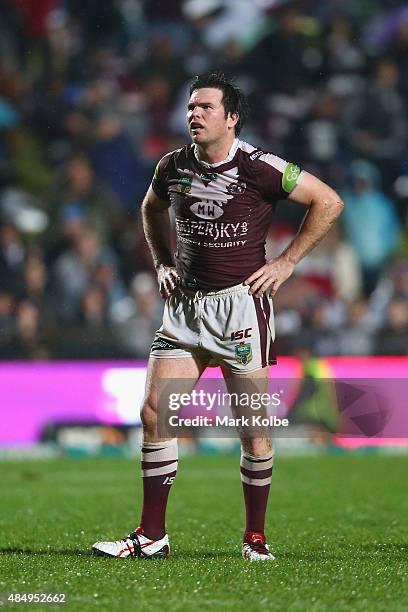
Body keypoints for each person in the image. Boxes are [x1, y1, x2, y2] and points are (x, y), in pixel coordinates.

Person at [92, 73, 344, 561]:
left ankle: (255, 538)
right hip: (185, 309)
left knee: (253, 428)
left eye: (206, 107)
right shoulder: (172, 167)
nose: (194, 114)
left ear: (231, 118)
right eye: (190, 106)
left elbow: (329, 201)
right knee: (153, 414)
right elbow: (150, 209)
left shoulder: (260, 167)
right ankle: (151, 537)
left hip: (240, 309)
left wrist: (287, 261)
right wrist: (163, 262)